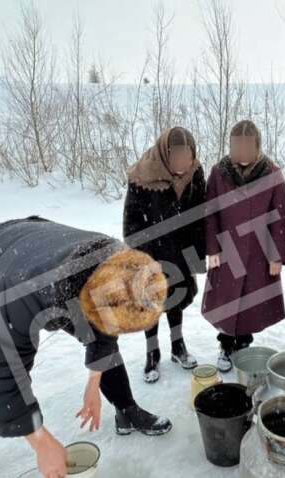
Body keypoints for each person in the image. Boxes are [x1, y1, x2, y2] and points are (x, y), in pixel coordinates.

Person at [0, 217, 173, 478]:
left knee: (100, 330)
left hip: (18, 255)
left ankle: (126, 409)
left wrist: (93, 383)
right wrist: (41, 442)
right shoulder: (29, 289)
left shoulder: (119, 263)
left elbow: (104, 331)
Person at [202, 119, 285, 372]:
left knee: (251, 302)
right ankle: (226, 345)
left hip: (259, 253)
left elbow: (279, 217)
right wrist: (212, 249)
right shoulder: (219, 173)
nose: (241, 153)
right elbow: (210, 212)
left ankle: (244, 346)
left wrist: (276, 257)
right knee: (226, 302)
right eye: (236, 147)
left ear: (257, 146)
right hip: (227, 250)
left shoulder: (272, 173)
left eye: (246, 147)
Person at [124, 126, 206, 383]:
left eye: (187, 156)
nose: (183, 162)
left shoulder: (195, 173)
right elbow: (132, 223)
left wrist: (197, 255)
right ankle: (152, 352)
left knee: (176, 300)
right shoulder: (143, 175)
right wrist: (145, 260)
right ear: (165, 154)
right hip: (151, 253)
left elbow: (200, 216)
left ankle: (178, 346)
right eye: (177, 156)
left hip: (180, 251)